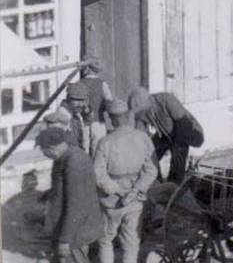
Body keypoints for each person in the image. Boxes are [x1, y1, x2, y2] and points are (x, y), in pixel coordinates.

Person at [93, 99, 157, 263]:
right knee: (131, 243)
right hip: (135, 200)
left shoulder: (105, 142)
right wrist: (135, 191)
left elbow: (98, 174)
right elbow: (151, 170)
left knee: (106, 240)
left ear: (112, 119)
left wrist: (117, 190)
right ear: (128, 116)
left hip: (112, 201)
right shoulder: (143, 138)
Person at [36, 125, 104, 263]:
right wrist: (50, 194)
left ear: (52, 148)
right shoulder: (67, 156)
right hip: (74, 228)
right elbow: (68, 189)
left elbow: (76, 205)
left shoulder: (73, 163)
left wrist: (65, 240)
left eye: (43, 150)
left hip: (76, 233)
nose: (43, 154)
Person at [128, 86, 204, 183]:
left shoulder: (167, 99)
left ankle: (174, 185)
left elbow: (183, 124)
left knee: (178, 151)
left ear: (147, 101)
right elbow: (139, 135)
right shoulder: (142, 111)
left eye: (141, 109)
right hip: (166, 134)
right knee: (150, 151)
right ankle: (156, 182)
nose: (141, 112)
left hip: (188, 131)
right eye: (139, 111)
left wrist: (174, 147)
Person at [62, 82, 108, 158]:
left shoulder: (75, 112)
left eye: (83, 101)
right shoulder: (64, 116)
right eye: (77, 100)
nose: (81, 104)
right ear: (68, 98)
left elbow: (86, 123)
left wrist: (88, 112)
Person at [76, 59, 112, 124]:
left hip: (83, 122)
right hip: (98, 121)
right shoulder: (102, 84)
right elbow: (109, 102)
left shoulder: (79, 83)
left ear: (88, 69)